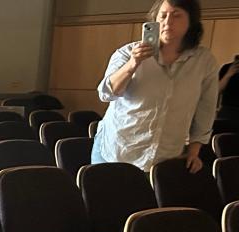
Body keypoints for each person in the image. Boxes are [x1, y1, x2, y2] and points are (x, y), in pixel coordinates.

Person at [92, 0, 217, 173]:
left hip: (165, 157)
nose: (168, 22)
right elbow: (106, 93)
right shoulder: (127, 53)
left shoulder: (204, 61)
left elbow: (206, 108)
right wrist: (133, 64)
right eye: (163, 15)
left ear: (191, 22)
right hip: (117, 151)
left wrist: (194, 151)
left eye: (176, 15)